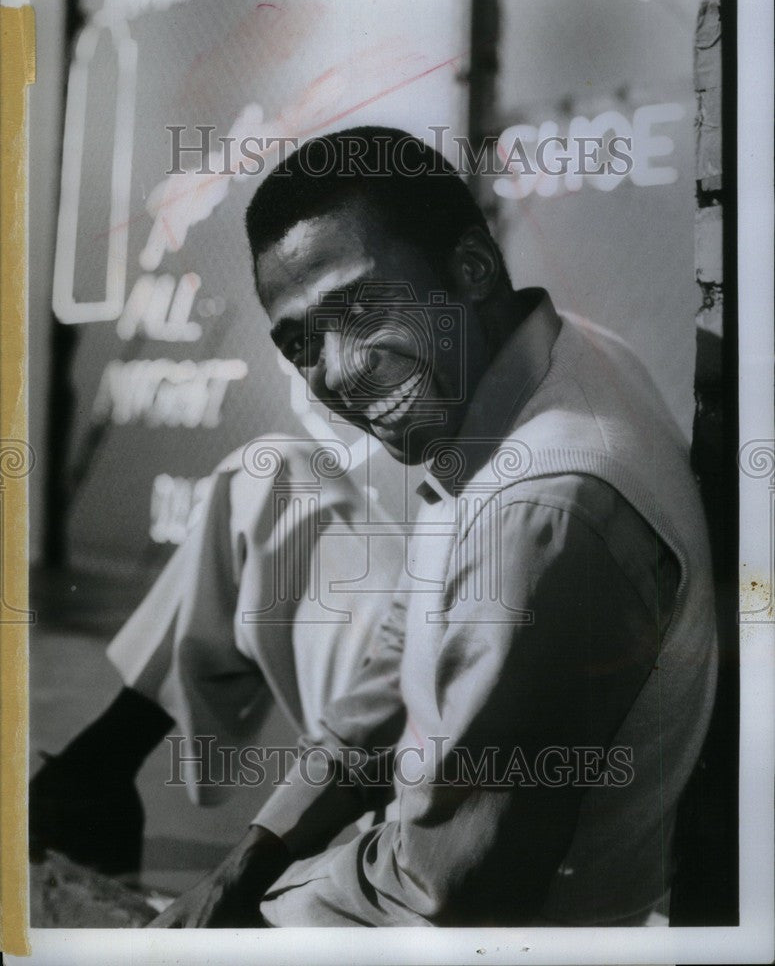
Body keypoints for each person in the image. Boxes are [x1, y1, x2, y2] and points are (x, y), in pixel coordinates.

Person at [146, 125, 718, 928]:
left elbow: (438, 900)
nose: (336, 374)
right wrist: (256, 850)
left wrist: (255, 904)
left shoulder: (541, 515)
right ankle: (101, 771)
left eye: (360, 309)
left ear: (472, 269)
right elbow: (401, 641)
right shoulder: (550, 346)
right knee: (266, 476)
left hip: (515, 924)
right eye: (301, 342)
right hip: (447, 732)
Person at [29, 434, 404, 876]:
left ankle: (91, 773)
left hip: (437, 808)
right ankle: (95, 772)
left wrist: (247, 870)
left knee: (273, 470)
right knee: (275, 469)